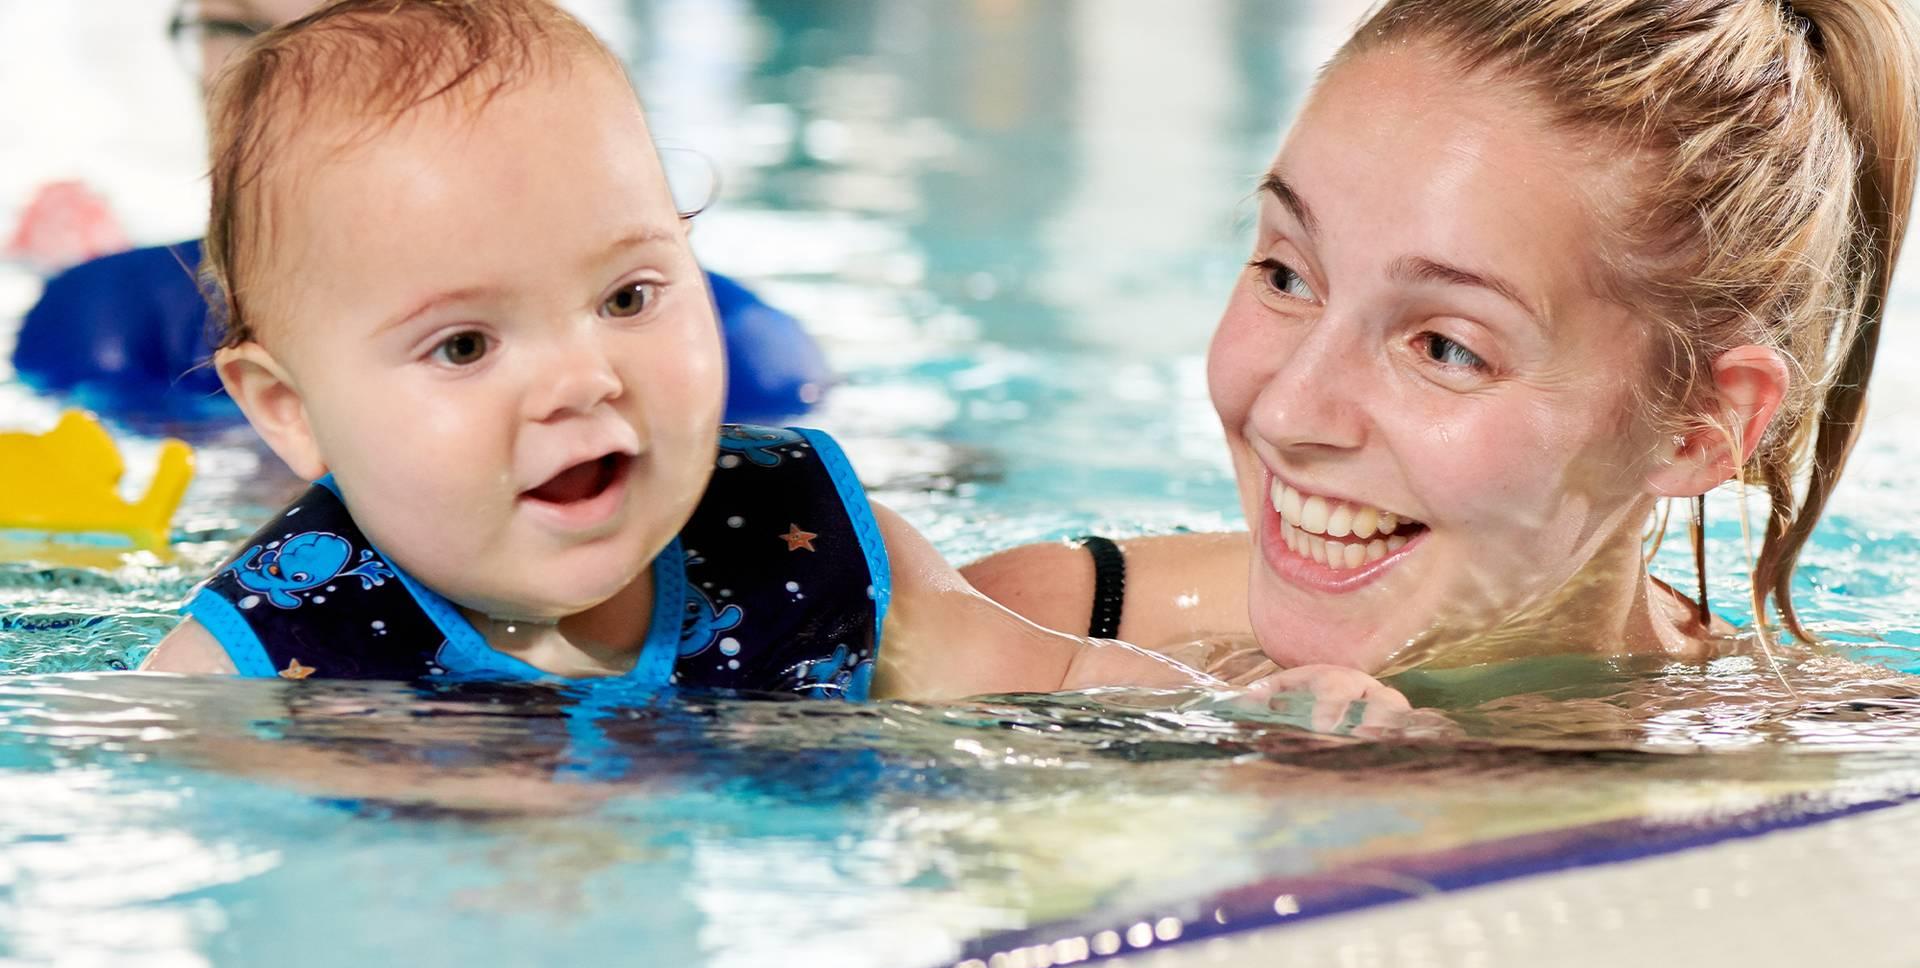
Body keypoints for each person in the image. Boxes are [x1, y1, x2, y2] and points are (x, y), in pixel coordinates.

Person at [135, 0, 1414, 721]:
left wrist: (1256, 717)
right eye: (465, 343)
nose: (584, 377)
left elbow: (1061, 683)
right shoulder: (265, 664)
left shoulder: (805, 540)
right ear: (288, 414)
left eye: (630, 293)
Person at [966, 0, 1920, 696]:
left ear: (1695, 428)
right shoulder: (1012, 634)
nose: (1288, 410)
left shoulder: (1823, 828)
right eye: (1286, 275)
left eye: (1446, 347)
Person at [9, 0, 829, 423]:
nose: (274, 84)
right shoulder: (107, 330)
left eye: (349, 25)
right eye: (233, 27)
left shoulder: (730, 364)